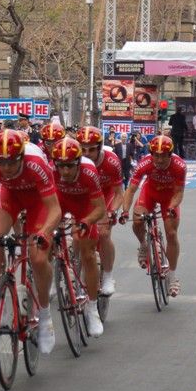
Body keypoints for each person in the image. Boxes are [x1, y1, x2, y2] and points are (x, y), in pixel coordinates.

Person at [0, 129, 61, 354]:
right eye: (2, 162)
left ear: (21, 156)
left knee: (37, 257)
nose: (6, 168)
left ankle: (45, 317)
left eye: (12, 162)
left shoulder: (36, 163)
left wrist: (44, 233)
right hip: (9, 195)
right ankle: (2, 298)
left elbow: (54, 209)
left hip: (38, 200)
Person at [50, 137, 106, 336]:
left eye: (70, 166)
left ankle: (92, 309)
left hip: (85, 206)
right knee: (44, 240)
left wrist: (86, 221)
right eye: (61, 166)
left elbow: (100, 208)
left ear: (78, 163)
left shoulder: (89, 172)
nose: (64, 171)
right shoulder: (51, 171)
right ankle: (51, 276)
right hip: (61, 202)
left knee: (88, 254)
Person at [121, 135, 186, 297]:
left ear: (170, 155)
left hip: (169, 198)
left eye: (163, 156)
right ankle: (143, 244)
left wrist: (171, 207)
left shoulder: (179, 166)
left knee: (171, 233)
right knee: (137, 221)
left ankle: (172, 276)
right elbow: (131, 189)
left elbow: (179, 193)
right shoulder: (145, 162)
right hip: (150, 193)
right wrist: (125, 211)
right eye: (155, 155)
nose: (158, 159)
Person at [77, 126, 124, 297]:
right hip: (84, 197)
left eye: (91, 149)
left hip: (106, 197)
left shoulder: (111, 161)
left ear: (99, 147)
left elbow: (119, 193)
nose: (86, 153)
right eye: (83, 149)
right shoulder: (74, 160)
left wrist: (113, 211)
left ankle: (108, 276)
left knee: (103, 233)